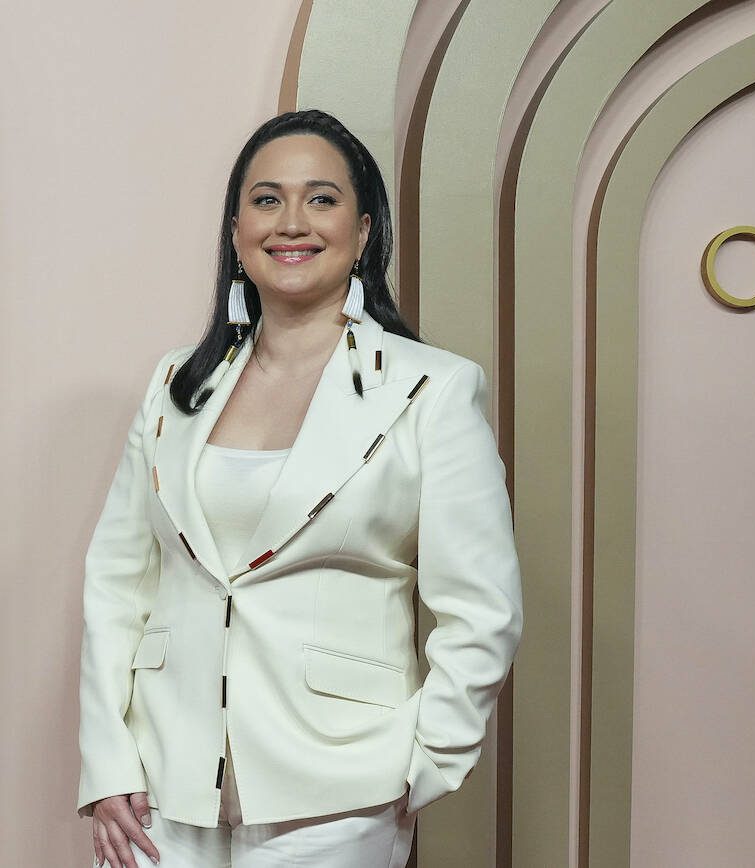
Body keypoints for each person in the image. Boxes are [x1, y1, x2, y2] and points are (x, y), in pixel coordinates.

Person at [76, 109, 524, 868]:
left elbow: (482, 605)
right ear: (235, 229)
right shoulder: (174, 386)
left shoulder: (431, 389)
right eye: (265, 199)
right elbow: (117, 584)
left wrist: (421, 763)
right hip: (159, 793)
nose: (291, 222)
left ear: (364, 230)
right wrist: (107, 762)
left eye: (321, 199)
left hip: (339, 794)